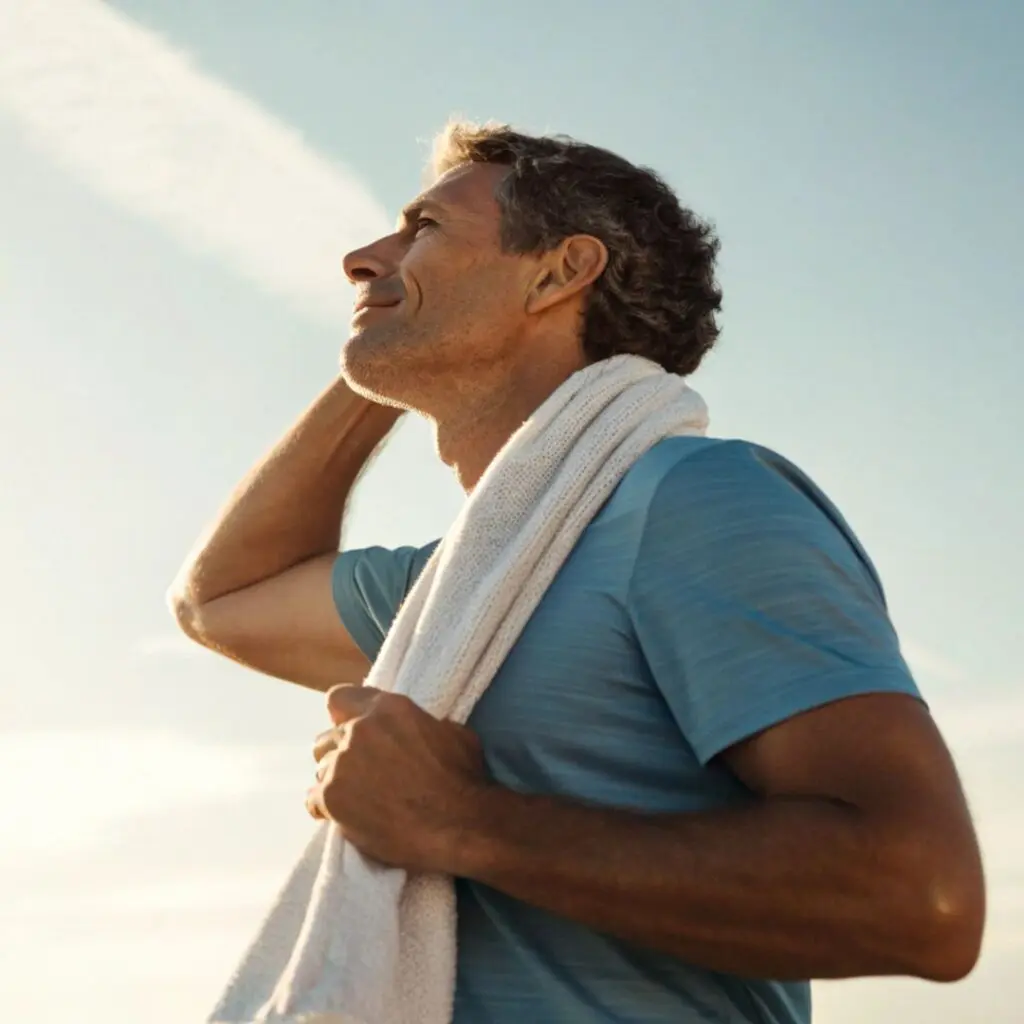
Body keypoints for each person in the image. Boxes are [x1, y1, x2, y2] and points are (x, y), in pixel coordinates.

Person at [170, 121, 985, 1023]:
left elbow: (923, 900)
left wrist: (459, 822)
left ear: (560, 272)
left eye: (423, 228)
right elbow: (224, 601)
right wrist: (392, 342)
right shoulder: (468, 595)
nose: (362, 257)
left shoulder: (689, 501)